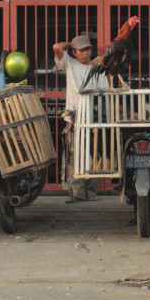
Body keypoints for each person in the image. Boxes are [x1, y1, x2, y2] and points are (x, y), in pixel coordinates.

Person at [53, 35, 109, 203]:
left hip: (94, 116)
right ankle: (77, 192)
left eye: (88, 49)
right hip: (75, 115)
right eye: (81, 50)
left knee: (94, 153)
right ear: (75, 53)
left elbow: (104, 90)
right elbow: (57, 46)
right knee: (77, 153)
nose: (86, 53)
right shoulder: (70, 64)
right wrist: (71, 43)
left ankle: (91, 191)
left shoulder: (98, 66)